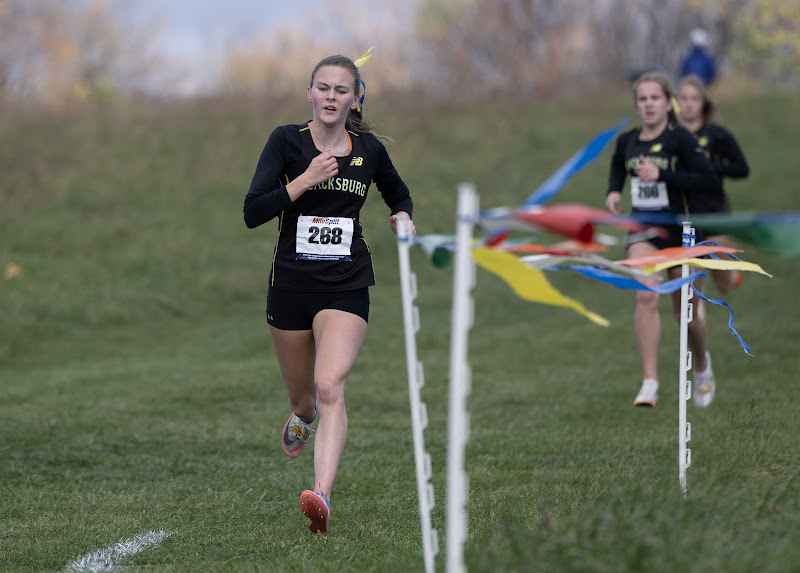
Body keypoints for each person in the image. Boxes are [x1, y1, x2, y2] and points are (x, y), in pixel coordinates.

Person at [243, 52, 415, 533]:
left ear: (355, 97)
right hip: (291, 287)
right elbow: (253, 211)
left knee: (329, 386)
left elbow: (398, 194)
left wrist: (402, 215)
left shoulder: (369, 150)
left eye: (342, 90)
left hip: (347, 283)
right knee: (304, 399)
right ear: (310, 93)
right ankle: (301, 418)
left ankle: (321, 495)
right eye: (324, 88)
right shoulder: (286, 142)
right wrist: (305, 180)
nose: (331, 97)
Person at [605, 72, 723, 409]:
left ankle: (701, 365)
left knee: (686, 313)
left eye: (654, 98)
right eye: (642, 99)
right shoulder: (628, 141)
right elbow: (618, 164)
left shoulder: (680, 139)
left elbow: (707, 180)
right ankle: (650, 382)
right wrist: (614, 190)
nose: (648, 105)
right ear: (636, 105)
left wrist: (663, 175)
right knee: (645, 296)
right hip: (644, 229)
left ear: (667, 102)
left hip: (682, 231)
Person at [678, 74, 750, 293]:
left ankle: (731, 272)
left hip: (714, 211)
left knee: (724, 286)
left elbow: (741, 169)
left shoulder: (717, 135)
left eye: (694, 98)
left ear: (703, 102)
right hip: (684, 215)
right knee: (689, 288)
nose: (689, 104)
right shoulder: (671, 135)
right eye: (684, 98)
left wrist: (711, 168)